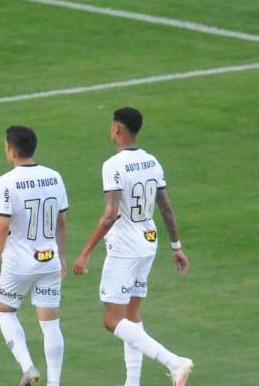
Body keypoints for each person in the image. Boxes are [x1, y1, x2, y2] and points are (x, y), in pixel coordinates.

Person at [72, 107, 194, 386]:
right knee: (131, 315)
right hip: (148, 243)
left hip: (125, 248)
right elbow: (165, 205)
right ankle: (132, 382)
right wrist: (176, 245)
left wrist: (85, 251)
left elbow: (111, 213)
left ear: (117, 129)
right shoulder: (152, 161)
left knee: (111, 320)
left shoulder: (113, 165)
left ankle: (174, 362)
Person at [0, 126, 68, 386]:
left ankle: (28, 367)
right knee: (50, 323)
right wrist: (63, 258)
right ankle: (54, 383)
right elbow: (61, 222)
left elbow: (2, 227)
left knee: (5, 311)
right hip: (50, 260)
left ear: (12, 151)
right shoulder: (54, 177)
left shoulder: (5, 182)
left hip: (19, 264)